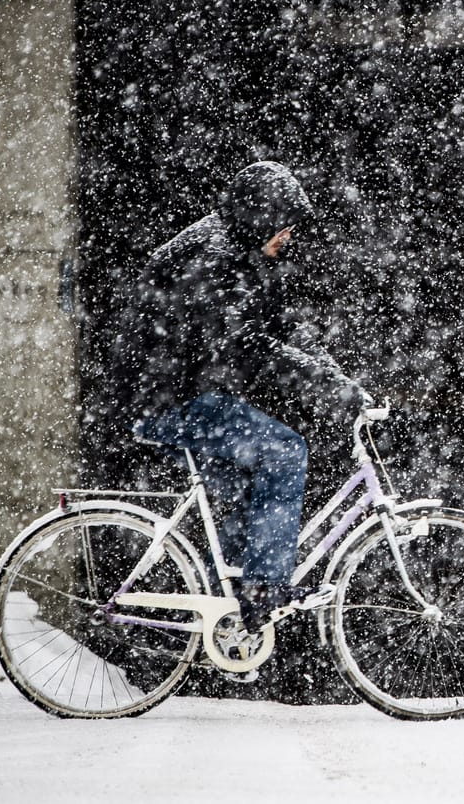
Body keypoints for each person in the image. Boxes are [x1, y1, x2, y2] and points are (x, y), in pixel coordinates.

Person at [113, 161, 371, 632]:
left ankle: (228, 612)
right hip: (166, 399)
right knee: (284, 451)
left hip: (182, 392)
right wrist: (321, 382)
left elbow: (281, 325)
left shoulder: (237, 250)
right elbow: (242, 342)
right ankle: (263, 589)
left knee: (237, 496)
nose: (287, 238)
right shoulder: (215, 256)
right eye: (283, 228)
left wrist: (331, 372)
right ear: (260, 216)